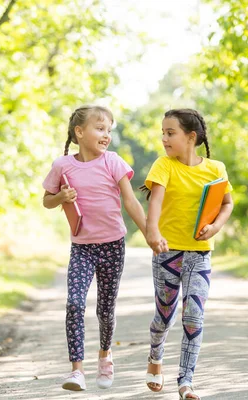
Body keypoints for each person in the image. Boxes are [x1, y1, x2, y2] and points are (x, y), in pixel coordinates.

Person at [42, 105, 147, 391]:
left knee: (105, 308)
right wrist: (61, 196)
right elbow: (47, 201)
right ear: (80, 132)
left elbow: (131, 202)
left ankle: (105, 357)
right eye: (100, 129)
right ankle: (77, 370)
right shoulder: (62, 166)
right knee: (74, 303)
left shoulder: (114, 162)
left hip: (113, 245)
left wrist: (150, 232)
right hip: (82, 248)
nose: (107, 136)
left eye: (109, 131)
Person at [140, 108, 234, 400]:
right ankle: (155, 356)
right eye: (163, 133)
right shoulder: (164, 165)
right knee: (164, 316)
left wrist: (216, 226)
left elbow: (227, 203)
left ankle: (186, 380)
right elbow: (155, 201)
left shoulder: (216, 168)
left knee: (193, 316)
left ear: (190, 137)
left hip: (200, 253)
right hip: (167, 252)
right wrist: (152, 232)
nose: (164, 138)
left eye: (171, 133)